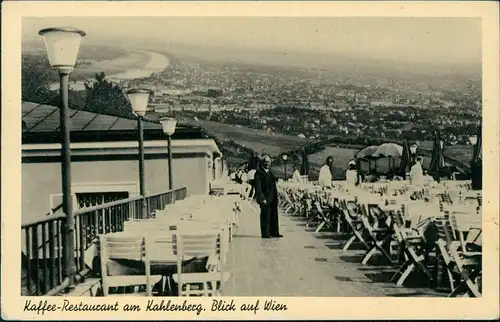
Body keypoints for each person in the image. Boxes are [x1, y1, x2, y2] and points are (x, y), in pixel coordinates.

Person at [254, 155, 282, 239]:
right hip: (265, 198)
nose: (267, 163)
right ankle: (265, 234)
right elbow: (258, 188)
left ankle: (274, 232)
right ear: (262, 163)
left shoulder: (270, 172)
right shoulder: (258, 173)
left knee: (274, 215)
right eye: (265, 162)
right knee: (265, 216)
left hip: (272, 198)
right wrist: (262, 199)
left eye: (269, 162)